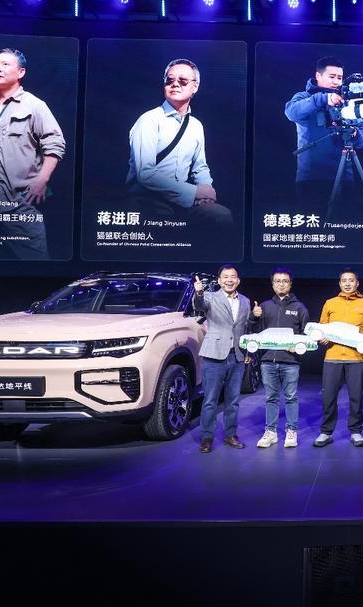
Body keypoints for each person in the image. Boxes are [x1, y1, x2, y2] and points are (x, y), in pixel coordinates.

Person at [0, 48, 66, 259]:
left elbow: (55, 143)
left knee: (36, 265)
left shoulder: (34, 105)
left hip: (19, 204)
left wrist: (42, 179)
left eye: (5, 64)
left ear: (21, 72)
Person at [126, 59, 234, 236]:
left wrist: (206, 194)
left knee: (221, 216)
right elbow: (145, 174)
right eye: (169, 80)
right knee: (167, 228)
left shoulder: (196, 125)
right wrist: (195, 192)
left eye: (182, 81)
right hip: (149, 200)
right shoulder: (148, 120)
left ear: (195, 86)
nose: (175, 84)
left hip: (182, 203)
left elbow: (200, 167)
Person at [285, 56, 363, 220]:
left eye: (340, 77)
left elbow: (362, 140)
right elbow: (291, 112)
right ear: (318, 75)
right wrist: (324, 99)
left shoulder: (346, 102)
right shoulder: (304, 97)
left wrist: (354, 134)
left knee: (345, 228)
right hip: (312, 177)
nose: (336, 82)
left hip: (345, 177)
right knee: (312, 230)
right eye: (332, 76)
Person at [248, 267, 310, 449]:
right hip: (268, 361)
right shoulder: (264, 306)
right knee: (271, 398)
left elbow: (306, 335)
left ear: (290, 284)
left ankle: (291, 431)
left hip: (290, 362)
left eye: (285, 281)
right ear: (272, 284)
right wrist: (253, 317)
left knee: (291, 397)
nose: (281, 284)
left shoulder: (300, 308)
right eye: (277, 281)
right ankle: (271, 432)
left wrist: (297, 345)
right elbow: (255, 332)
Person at [314, 268, 363, 448]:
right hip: (332, 357)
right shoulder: (330, 303)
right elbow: (321, 328)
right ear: (340, 283)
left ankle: (356, 431)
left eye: (351, 280)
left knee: (356, 397)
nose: (347, 283)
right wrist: (322, 337)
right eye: (344, 280)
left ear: (357, 283)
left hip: (356, 358)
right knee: (328, 397)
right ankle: (326, 432)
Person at [193, 266, 251, 453]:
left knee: (233, 400)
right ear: (219, 280)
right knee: (210, 399)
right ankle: (207, 437)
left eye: (233, 277)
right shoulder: (210, 297)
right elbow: (199, 306)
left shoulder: (245, 301)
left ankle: (230, 435)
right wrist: (199, 293)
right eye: (225, 277)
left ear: (238, 280)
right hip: (214, 354)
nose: (229, 280)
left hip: (237, 355)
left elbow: (245, 328)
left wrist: (248, 352)